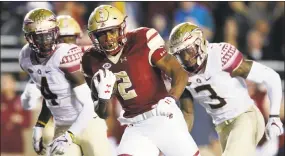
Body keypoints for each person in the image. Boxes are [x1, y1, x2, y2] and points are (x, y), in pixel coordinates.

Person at [81, 5, 200, 156]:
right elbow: (103, 113)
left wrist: (171, 99)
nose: (108, 38)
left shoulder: (141, 39)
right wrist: (103, 99)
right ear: (94, 37)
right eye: (102, 34)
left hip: (163, 117)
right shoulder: (90, 60)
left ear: (121, 28)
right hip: (135, 126)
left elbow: (178, 71)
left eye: (112, 31)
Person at [168, 22, 284, 156]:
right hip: (222, 128)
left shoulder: (220, 56)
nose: (187, 58)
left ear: (199, 43)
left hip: (246, 117)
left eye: (189, 50)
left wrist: (274, 116)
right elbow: (187, 113)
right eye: (180, 54)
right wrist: (178, 141)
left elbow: (271, 76)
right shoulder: (181, 75)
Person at [19, 8, 112, 156]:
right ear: (29, 38)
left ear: (56, 33)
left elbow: (88, 105)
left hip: (89, 125)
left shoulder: (66, 55)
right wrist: (39, 126)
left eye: (49, 36)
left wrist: (70, 135)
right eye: (40, 37)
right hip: (62, 126)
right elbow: (52, 94)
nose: (46, 42)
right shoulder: (25, 57)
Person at [1, 74, 31, 156]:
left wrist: (20, 119)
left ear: (14, 83)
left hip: (17, 145)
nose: (6, 84)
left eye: (8, 82)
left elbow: (27, 123)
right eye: (3, 82)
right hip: (2, 146)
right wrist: (12, 117)